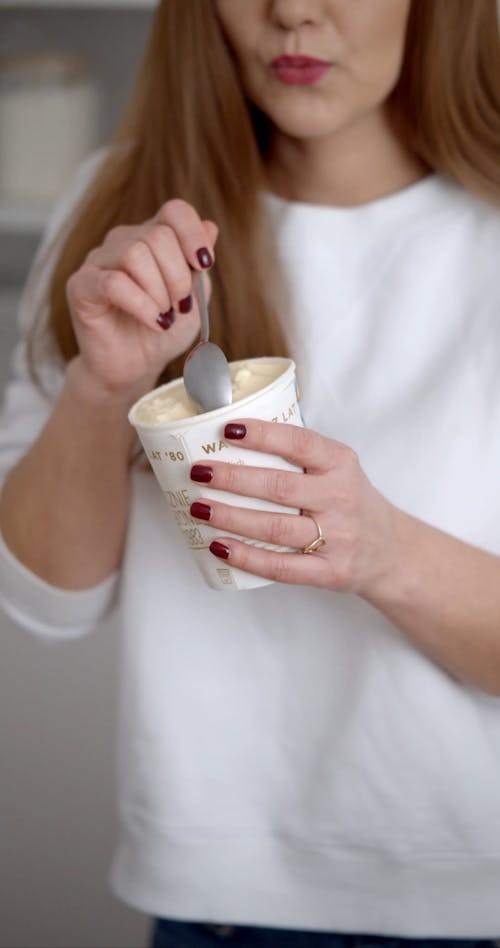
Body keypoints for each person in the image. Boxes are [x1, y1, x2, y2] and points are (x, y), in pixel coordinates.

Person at [1, 0, 500, 945]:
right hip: (215, 902)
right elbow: (46, 599)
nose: (292, 13)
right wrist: (105, 386)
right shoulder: (119, 208)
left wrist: (385, 554)